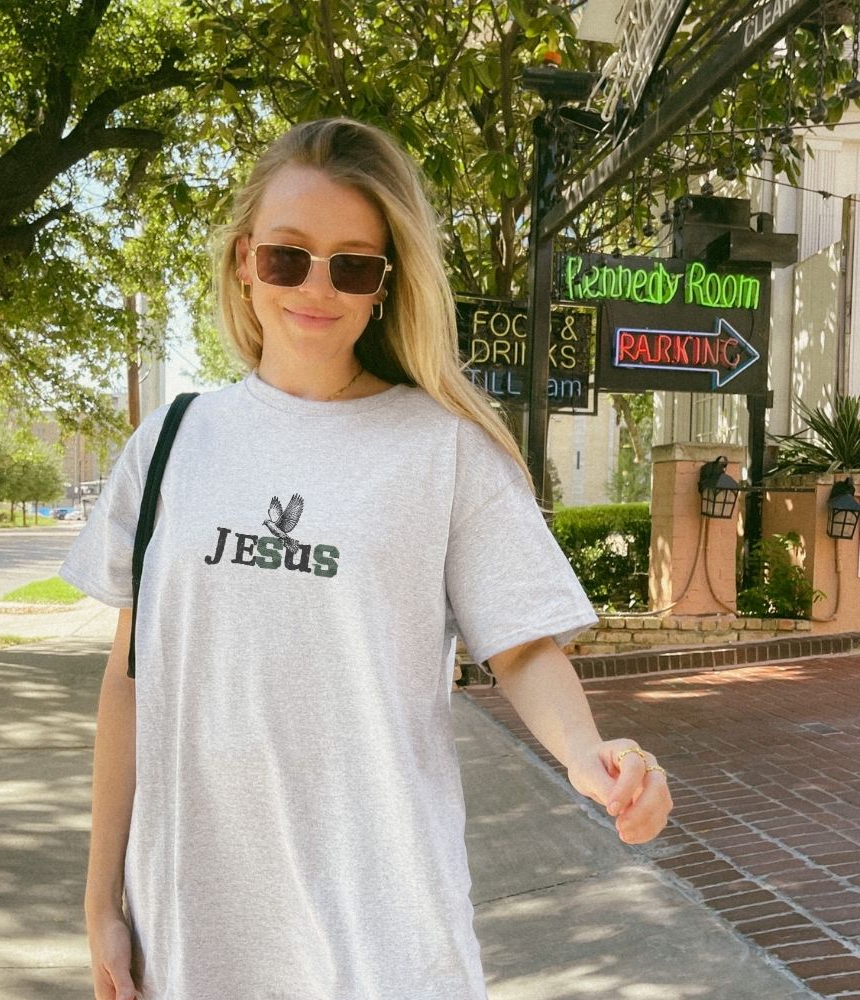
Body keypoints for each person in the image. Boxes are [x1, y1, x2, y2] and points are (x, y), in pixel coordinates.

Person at [60, 117, 673, 1000]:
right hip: (193, 930)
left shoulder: (446, 451)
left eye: (353, 264)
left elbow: (524, 647)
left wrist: (589, 755)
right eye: (287, 256)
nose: (318, 286)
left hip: (385, 936)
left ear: (386, 283)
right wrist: (101, 902)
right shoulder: (170, 444)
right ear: (244, 261)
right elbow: (128, 679)